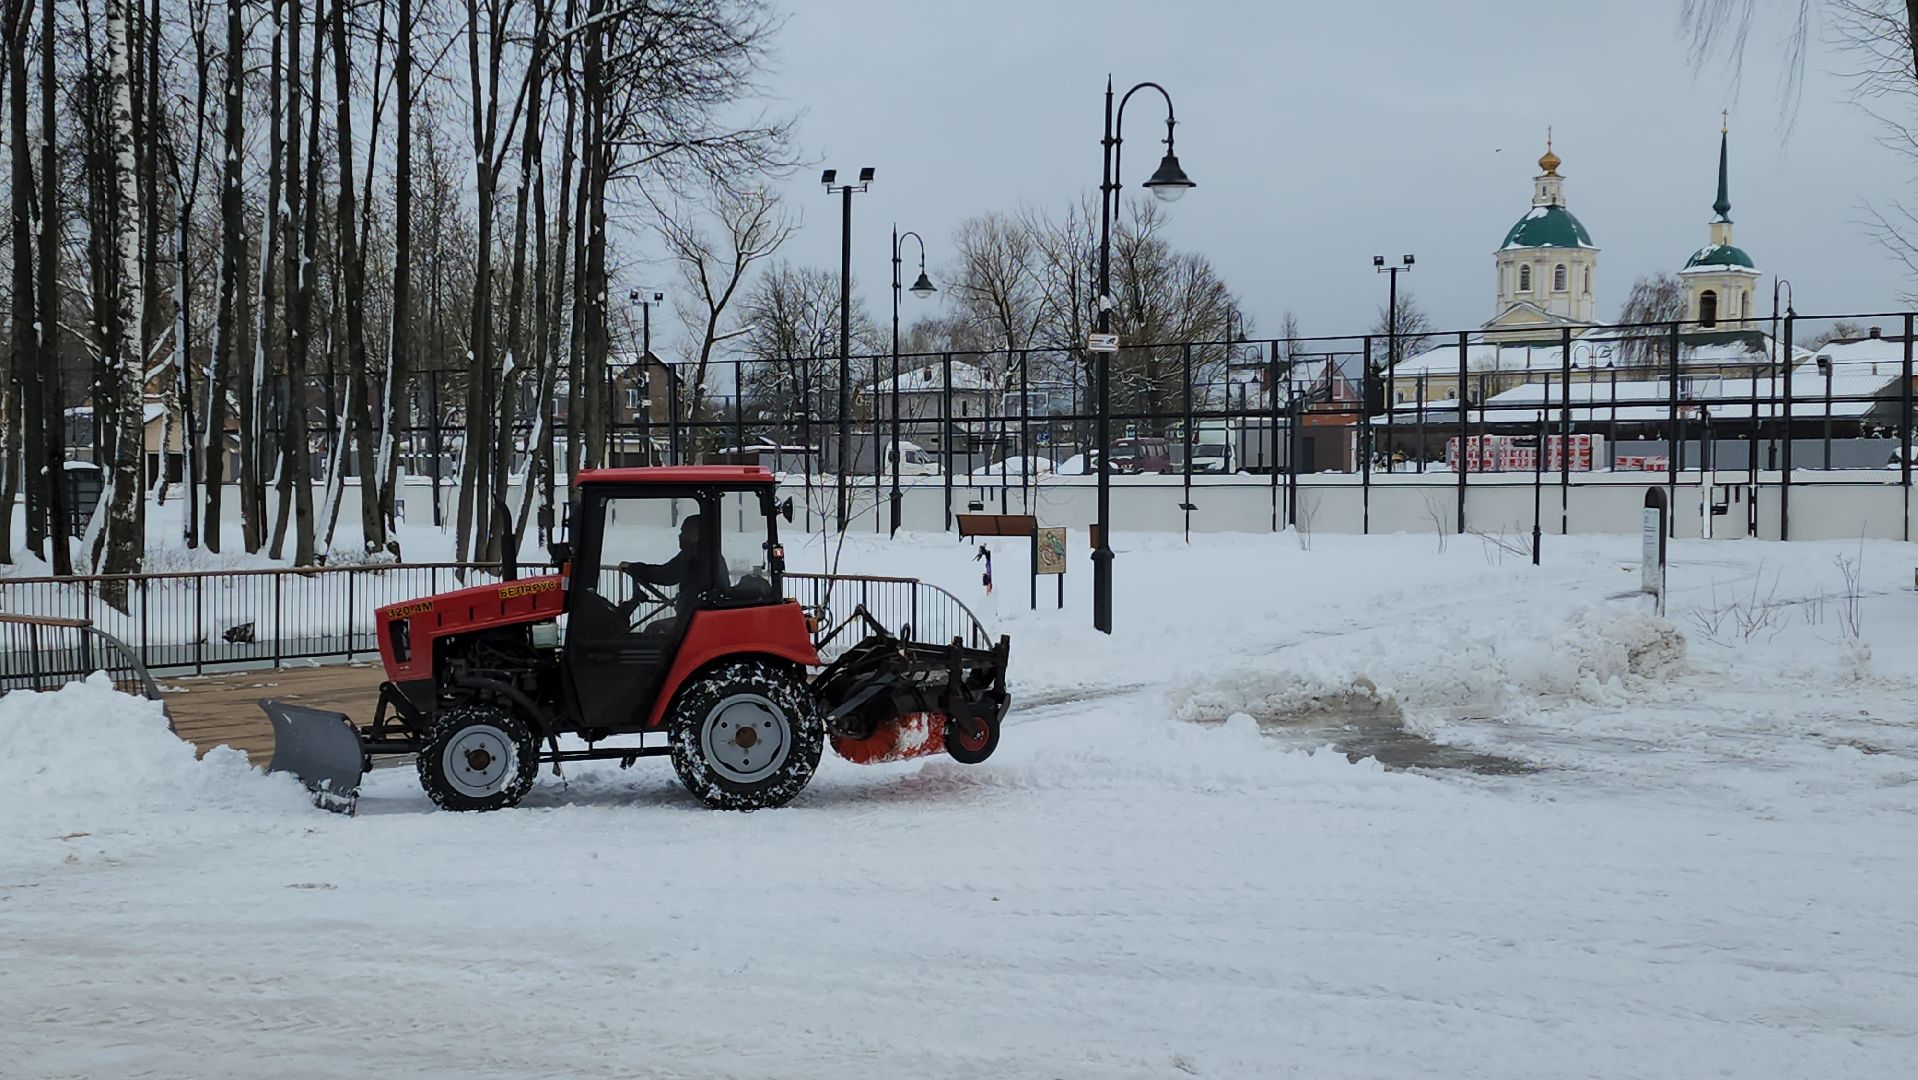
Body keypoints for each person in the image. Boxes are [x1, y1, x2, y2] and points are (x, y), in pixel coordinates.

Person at [619, 514, 718, 620]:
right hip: (696, 612)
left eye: (686, 532)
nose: (681, 536)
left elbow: (667, 575)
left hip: (693, 617)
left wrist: (633, 568)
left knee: (653, 630)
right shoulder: (708, 553)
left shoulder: (695, 554)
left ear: (698, 533)